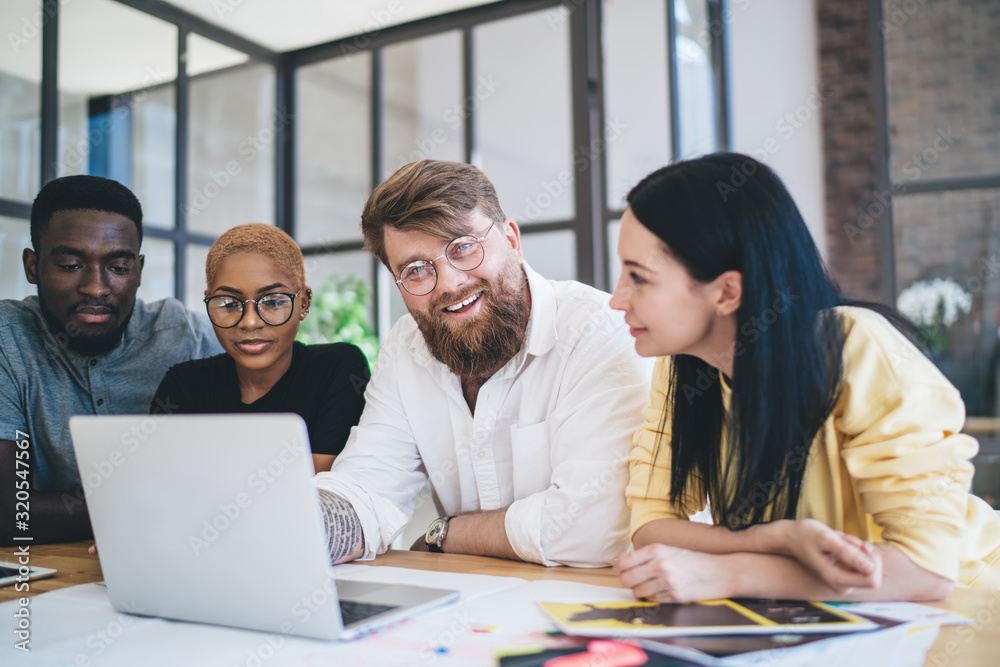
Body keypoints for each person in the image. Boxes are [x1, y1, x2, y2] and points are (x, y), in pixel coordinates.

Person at [611, 153, 1000, 602]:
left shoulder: (853, 346)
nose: (617, 300)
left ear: (727, 291)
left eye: (638, 277)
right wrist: (774, 539)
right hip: (827, 622)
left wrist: (735, 573)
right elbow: (651, 526)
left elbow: (925, 573)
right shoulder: (683, 365)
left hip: (967, 608)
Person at [313, 160, 652, 567]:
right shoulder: (408, 345)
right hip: (471, 609)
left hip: (590, 604)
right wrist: (292, 530)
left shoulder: (597, 331)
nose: (450, 283)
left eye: (463, 247)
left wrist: (447, 534)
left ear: (511, 238)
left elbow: (594, 526)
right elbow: (366, 486)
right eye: (416, 270)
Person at [0, 175, 221, 545]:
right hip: (47, 575)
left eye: (119, 267)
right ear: (33, 267)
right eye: (71, 264)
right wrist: (168, 510)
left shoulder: (181, 332)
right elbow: (9, 513)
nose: (97, 288)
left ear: (138, 269)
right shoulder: (8, 338)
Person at [150, 223, 369, 472]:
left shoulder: (337, 369)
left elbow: (318, 493)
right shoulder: (183, 385)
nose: (250, 322)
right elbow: (164, 483)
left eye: (273, 302)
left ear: (304, 304)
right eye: (229, 304)